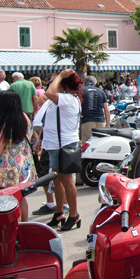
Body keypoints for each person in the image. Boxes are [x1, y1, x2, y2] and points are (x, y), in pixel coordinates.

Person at [36, 69, 82, 232]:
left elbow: (48, 93)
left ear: (63, 85)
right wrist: (41, 139)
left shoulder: (68, 99)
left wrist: (61, 76)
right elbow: (47, 119)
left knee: (67, 180)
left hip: (64, 145)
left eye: (55, 82)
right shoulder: (60, 100)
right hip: (54, 144)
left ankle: (74, 214)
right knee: (57, 179)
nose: (52, 84)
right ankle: (59, 212)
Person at [0, 90, 36, 222]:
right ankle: (25, 225)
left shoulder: (5, 123)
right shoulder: (25, 118)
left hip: (8, 166)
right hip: (25, 162)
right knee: (21, 197)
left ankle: (15, 227)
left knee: (10, 199)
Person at [81, 75, 110, 143]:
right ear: (95, 83)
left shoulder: (81, 91)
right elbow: (107, 110)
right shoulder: (101, 91)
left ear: (84, 82)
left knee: (86, 144)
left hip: (87, 122)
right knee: (100, 144)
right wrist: (108, 126)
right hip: (100, 122)